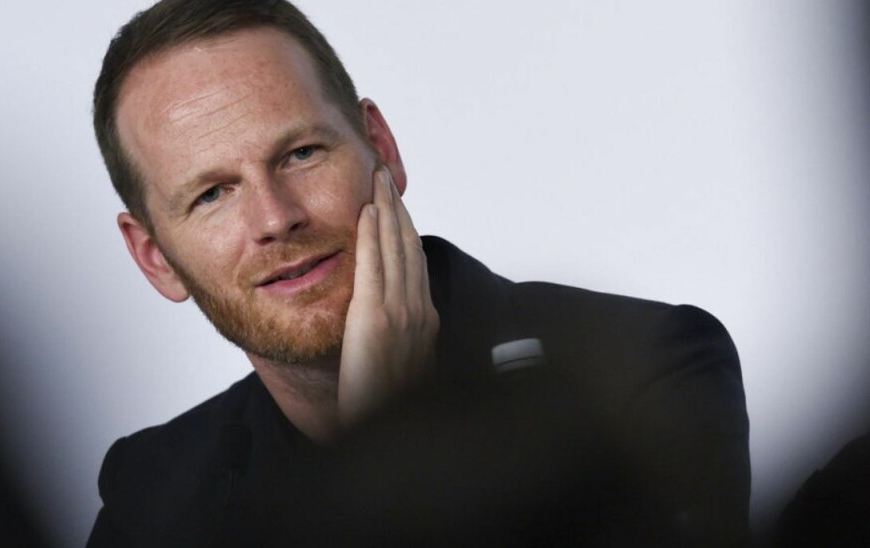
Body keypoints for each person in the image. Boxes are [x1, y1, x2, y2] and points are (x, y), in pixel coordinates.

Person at [86, 0, 750, 546]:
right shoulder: (153, 497)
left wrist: (389, 446)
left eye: (301, 153)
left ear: (382, 148)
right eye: (211, 195)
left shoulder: (646, 369)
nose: (274, 217)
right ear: (154, 257)